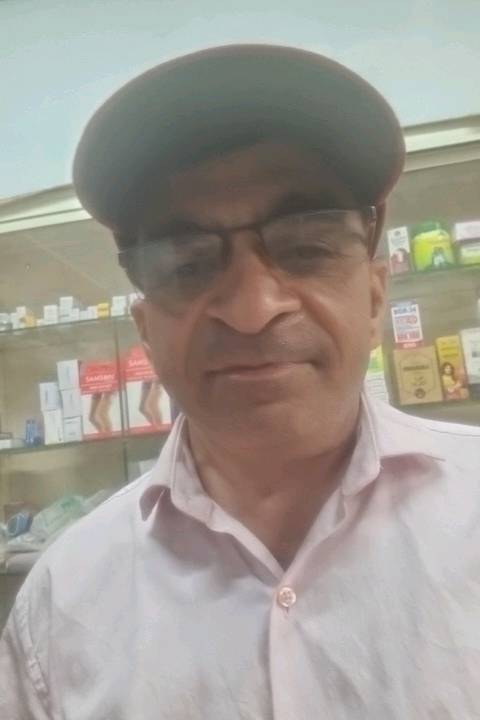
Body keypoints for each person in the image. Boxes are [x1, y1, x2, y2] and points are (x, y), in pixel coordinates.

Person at [1, 44, 479, 719]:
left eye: (306, 246)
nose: (253, 309)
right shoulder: (62, 605)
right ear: (146, 330)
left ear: (375, 298)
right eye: (187, 262)